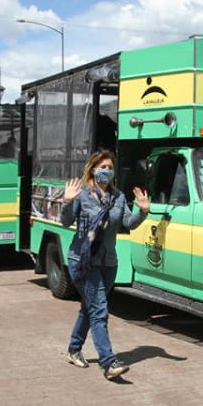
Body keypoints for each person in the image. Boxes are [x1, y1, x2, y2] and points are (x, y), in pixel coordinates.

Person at [61, 150, 150, 380]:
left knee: (89, 308)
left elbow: (128, 222)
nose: (107, 171)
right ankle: (108, 362)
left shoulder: (118, 197)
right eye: (103, 167)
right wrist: (67, 202)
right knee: (99, 309)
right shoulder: (82, 195)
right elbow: (66, 221)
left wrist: (142, 212)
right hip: (82, 261)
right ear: (93, 169)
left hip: (109, 263)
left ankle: (73, 349)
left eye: (110, 168)